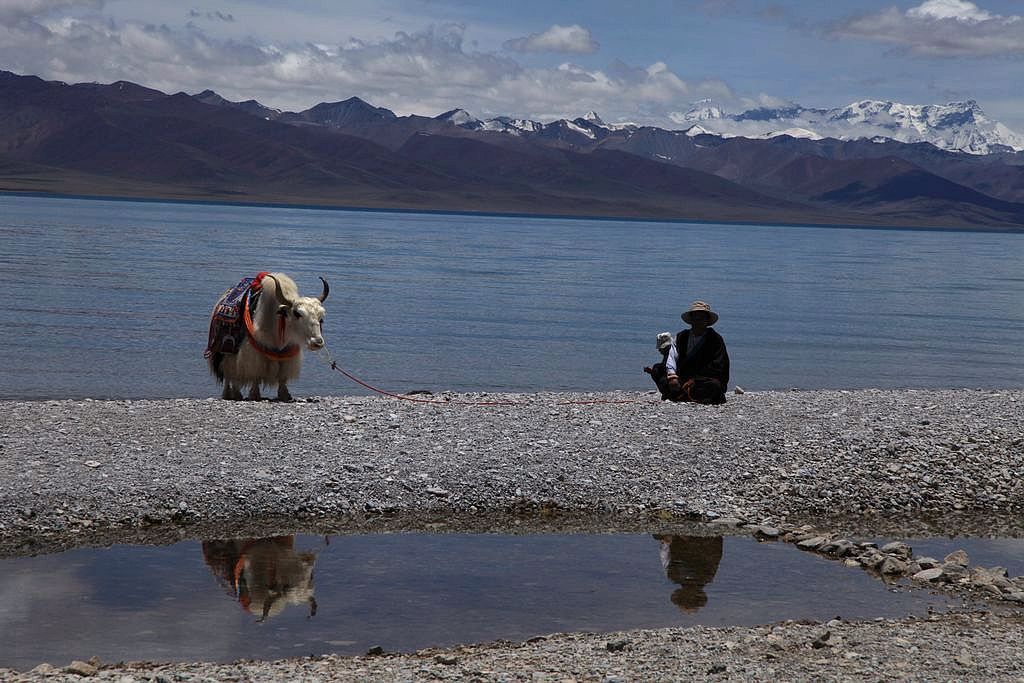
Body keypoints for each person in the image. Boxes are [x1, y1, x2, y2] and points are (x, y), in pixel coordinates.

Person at [647, 300, 729, 404]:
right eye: (695, 318)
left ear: (707, 321)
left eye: (701, 318)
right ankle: (679, 394)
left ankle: (679, 395)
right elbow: (672, 357)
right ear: (691, 320)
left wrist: (695, 380)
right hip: (682, 377)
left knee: (714, 386)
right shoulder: (682, 336)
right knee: (657, 370)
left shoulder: (715, 340)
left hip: (703, 380)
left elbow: (718, 366)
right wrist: (672, 376)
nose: (698, 321)